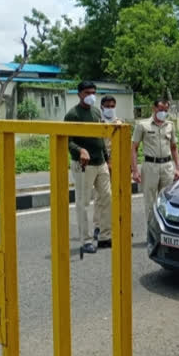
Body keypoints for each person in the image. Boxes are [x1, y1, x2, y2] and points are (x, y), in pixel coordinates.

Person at [64, 81, 111, 257]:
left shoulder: (97, 112)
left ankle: (105, 235)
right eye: (87, 92)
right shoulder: (72, 115)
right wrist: (80, 150)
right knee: (83, 203)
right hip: (83, 165)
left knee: (107, 197)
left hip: (100, 162)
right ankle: (86, 240)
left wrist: (108, 158)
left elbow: (102, 136)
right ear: (79, 94)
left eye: (93, 92)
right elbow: (67, 140)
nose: (91, 95)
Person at [131, 99, 179, 227]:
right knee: (150, 201)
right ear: (153, 108)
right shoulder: (143, 125)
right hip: (150, 166)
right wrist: (135, 170)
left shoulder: (170, 125)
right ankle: (151, 232)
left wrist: (178, 168)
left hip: (167, 166)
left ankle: (165, 231)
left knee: (166, 201)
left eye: (165, 110)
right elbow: (134, 148)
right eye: (160, 110)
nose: (163, 113)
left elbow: (174, 147)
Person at [92, 95, 123, 241]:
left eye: (113, 106)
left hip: (118, 163)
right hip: (102, 163)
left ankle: (115, 225)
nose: (110, 109)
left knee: (117, 195)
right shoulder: (98, 123)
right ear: (102, 107)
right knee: (101, 196)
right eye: (107, 106)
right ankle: (99, 226)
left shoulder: (119, 123)